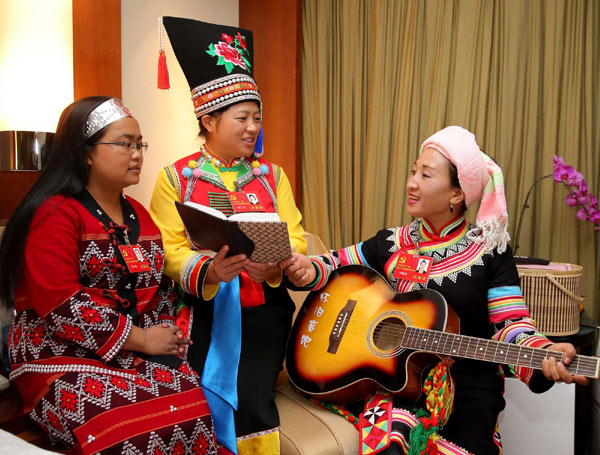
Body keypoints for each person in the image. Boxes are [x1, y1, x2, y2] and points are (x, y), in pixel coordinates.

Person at [281, 126, 588, 455]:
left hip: (468, 387)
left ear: (457, 195)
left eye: (426, 175)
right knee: (393, 440)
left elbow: (510, 325)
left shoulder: (491, 253)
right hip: (395, 382)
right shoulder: (389, 243)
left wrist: (542, 352)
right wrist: (307, 269)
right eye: (414, 171)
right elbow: (332, 264)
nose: (412, 182)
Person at [0, 96, 217, 454]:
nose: (137, 154)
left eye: (139, 144)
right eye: (124, 144)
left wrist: (165, 332)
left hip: (128, 352)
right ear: (85, 153)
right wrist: (143, 340)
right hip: (58, 356)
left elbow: (159, 288)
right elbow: (62, 306)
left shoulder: (140, 216)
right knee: (127, 430)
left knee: (191, 406)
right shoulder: (55, 213)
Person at [149, 17, 307, 455]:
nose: (253, 127)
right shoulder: (175, 178)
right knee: (187, 393)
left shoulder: (271, 177)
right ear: (209, 119)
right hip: (199, 312)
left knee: (252, 399)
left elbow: (296, 238)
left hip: (262, 314)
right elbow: (168, 251)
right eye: (242, 117)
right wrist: (211, 269)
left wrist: (279, 261)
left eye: (257, 117)